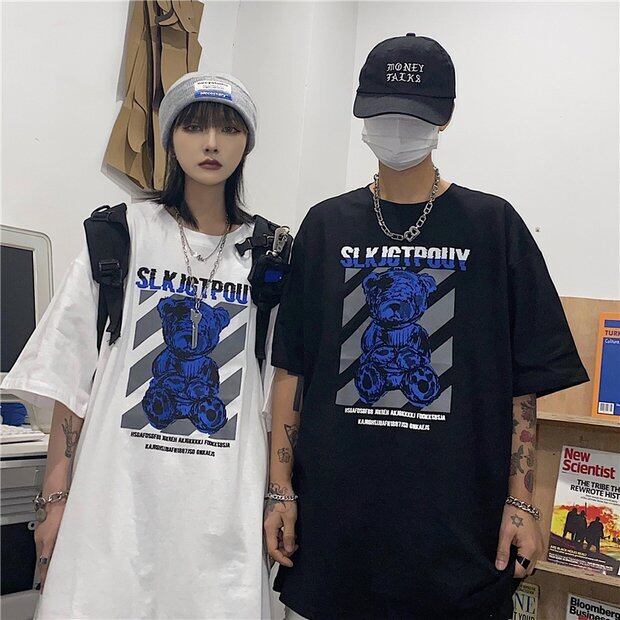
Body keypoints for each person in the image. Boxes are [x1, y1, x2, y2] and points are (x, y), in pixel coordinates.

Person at [264, 33, 589, 619]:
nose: (396, 128)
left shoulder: (493, 227)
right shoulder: (325, 226)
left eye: (413, 114)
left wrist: (523, 502)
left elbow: (522, 386)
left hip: (457, 538)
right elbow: (292, 368)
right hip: (340, 530)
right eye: (383, 112)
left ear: (446, 117)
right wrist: (280, 490)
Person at [2, 72, 278, 619]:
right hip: (115, 512)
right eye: (194, 127)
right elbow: (70, 381)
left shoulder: (269, 254)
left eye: (228, 129)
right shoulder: (120, 235)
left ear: (247, 142)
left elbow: (276, 395)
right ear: (170, 137)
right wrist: (54, 500)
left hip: (220, 514)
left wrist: (277, 498)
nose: (211, 144)